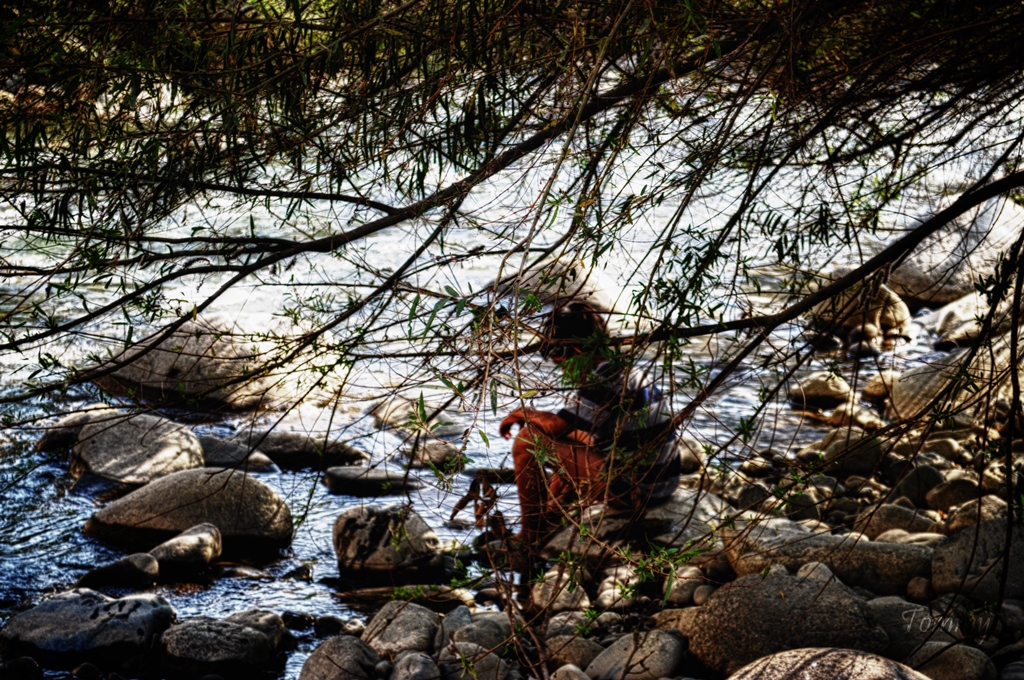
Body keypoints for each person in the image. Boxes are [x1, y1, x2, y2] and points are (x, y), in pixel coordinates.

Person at [499, 302, 682, 550]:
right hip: (662, 483)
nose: (562, 369)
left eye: (559, 359)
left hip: (636, 491)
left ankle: (531, 534)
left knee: (527, 441)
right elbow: (575, 431)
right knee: (573, 436)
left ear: (574, 350)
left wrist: (524, 412)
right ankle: (551, 514)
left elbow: (554, 427)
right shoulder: (624, 369)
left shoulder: (602, 380)